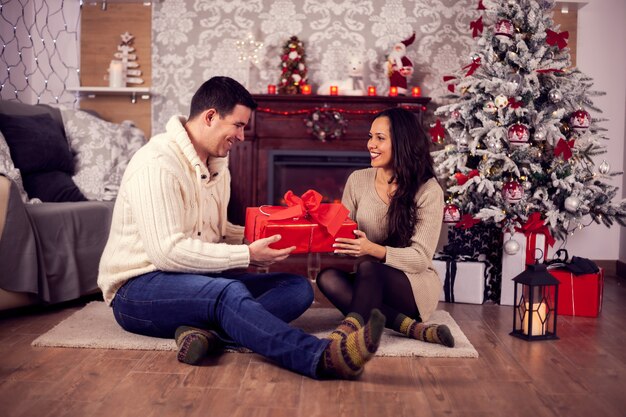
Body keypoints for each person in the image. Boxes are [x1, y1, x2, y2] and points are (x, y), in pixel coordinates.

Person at [97, 76, 385, 379]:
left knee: (297, 288)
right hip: (138, 290)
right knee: (228, 292)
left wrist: (275, 235)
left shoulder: (216, 164)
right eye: (238, 125)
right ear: (210, 117)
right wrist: (248, 255)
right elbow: (166, 253)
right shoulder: (157, 165)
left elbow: (216, 232)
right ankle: (321, 357)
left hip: (194, 280)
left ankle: (205, 335)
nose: (243, 136)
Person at [316, 107, 454, 348]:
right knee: (327, 278)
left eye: (380, 138)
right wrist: (321, 232)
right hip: (368, 278)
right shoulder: (358, 180)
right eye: (370, 137)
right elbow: (345, 233)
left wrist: (371, 248)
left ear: (402, 142)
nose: (371, 144)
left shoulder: (428, 190)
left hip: (413, 285)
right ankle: (412, 329)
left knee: (370, 268)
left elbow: (421, 259)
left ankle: (349, 331)